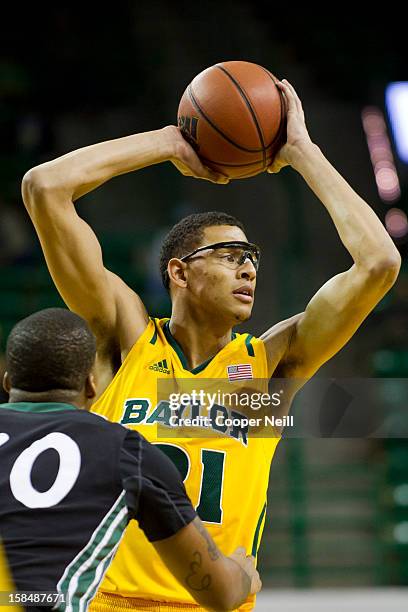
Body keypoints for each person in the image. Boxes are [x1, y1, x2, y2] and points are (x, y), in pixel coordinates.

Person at [21, 79, 401, 611]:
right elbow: (44, 187)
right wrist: (169, 143)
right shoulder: (126, 339)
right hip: (112, 600)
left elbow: (379, 263)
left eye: (252, 258)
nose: (247, 267)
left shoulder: (268, 366)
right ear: (179, 271)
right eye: (228, 254)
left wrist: (303, 153)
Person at [0, 308, 260, 612]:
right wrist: (242, 575)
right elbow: (220, 594)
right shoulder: (128, 451)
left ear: (7, 381)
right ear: (90, 385)